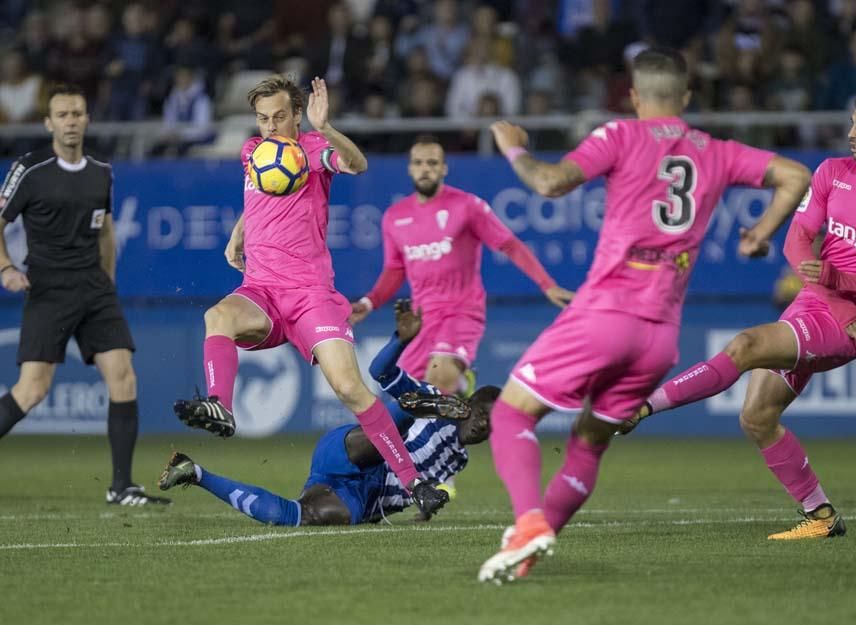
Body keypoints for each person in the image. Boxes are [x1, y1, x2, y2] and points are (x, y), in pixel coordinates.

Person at [477, 48, 812, 584]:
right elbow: (796, 175)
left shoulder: (620, 136)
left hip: (604, 314)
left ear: (633, 97)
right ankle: (533, 550)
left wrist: (516, 150)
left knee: (511, 415)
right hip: (660, 338)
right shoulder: (718, 151)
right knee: (588, 443)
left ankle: (526, 523)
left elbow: (549, 182)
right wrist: (760, 233)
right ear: (686, 97)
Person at [622, 90, 856, 541]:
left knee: (746, 345)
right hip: (819, 305)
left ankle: (643, 407)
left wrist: (840, 286)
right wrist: (834, 291)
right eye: (851, 123)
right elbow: (797, 242)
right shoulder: (832, 172)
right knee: (756, 417)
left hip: (850, 328)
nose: (850, 134)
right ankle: (822, 516)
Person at [172, 75, 450, 518]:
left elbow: (357, 164)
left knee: (349, 388)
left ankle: (416, 484)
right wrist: (237, 234)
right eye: (263, 118)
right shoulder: (252, 152)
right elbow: (262, 195)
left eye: (279, 116)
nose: (270, 126)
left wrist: (329, 127)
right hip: (260, 290)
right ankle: (220, 406)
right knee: (218, 316)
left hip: (310, 297)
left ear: (297, 114)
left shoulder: (315, 150)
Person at [160, 299, 501, 525]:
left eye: (491, 425)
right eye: (483, 414)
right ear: (468, 405)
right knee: (388, 430)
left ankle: (195, 473)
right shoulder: (438, 398)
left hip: (365, 498)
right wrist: (401, 338)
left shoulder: (459, 460)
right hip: (359, 453)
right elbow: (381, 370)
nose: (484, 426)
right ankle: (409, 409)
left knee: (299, 516)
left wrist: (423, 513)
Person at [0, 83, 169, 506]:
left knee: (124, 378)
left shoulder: (102, 172)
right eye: (62, 115)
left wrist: (107, 279)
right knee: (32, 390)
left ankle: (122, 486)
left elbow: (106, 229)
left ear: (87, 119)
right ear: (48, 122)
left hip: (94, 289)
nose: (71, 121)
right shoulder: (30, 168)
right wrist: (5, 268)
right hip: (48, 289)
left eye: (77, 113)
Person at [350, 135, 573, 395]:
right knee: (407, 398)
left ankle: (460, 382)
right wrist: (368, 303)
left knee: (440, 377)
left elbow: (509, 245)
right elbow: (394, 270)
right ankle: (459, 392)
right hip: (421, 319)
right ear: (410, 168)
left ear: (444, 168)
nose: (425, 169)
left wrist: (547, 285)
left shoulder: (467, 206)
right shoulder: (394, 217)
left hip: (461, 311)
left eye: (432, 163)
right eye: (419, 163)